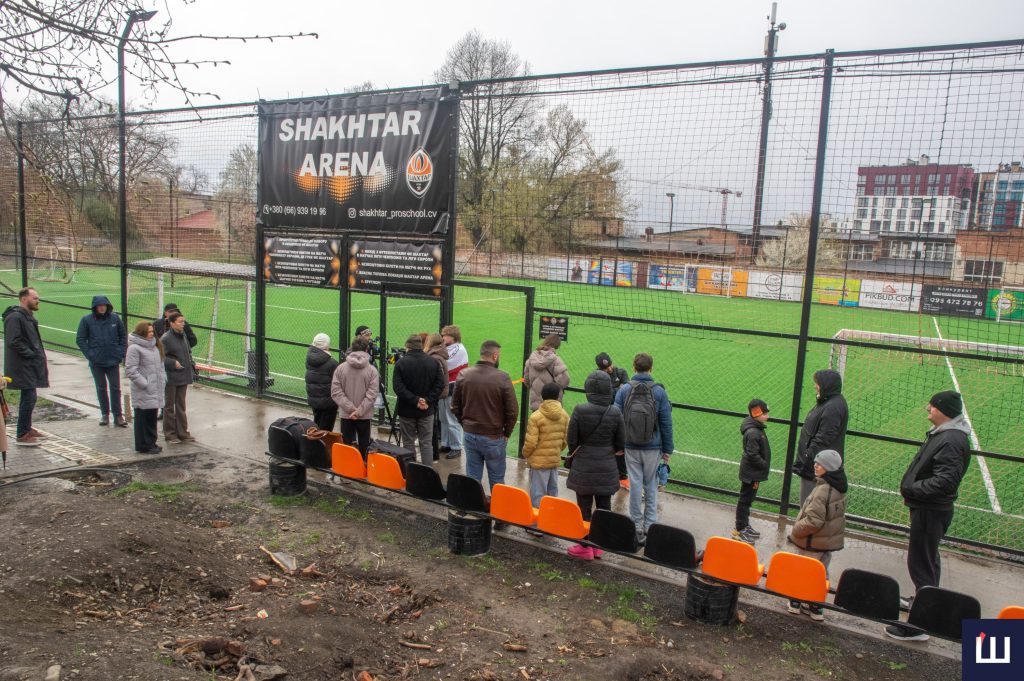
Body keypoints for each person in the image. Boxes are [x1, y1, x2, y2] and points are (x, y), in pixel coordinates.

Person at [885, 391, 971, 642]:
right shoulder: (946, 434)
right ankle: (924, 601)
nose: (928, 408)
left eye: (933, 406)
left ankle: (918, 625)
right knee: (928, 559)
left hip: (930, 509)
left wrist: (912, 489)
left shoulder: (951, 439)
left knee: (921, 564)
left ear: (946, 411)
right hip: (930, 508)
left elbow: (945, 481)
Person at [614, 352, 674, 546]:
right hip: (653, 447)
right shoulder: (659, 392)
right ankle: (650, 524)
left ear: (634, 367)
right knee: (651, 485)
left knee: (635, 484)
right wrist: (668, 449)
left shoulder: (624, 390)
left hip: (630, 445)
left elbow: (616, 418)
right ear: (651, 368)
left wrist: (618, 444)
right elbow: (666, 423)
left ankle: (636, 524)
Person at [565, 371, 625, 560]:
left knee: (583, 507)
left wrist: (578, 451)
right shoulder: (615, 412)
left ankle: (585, 545)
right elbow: (621, 443)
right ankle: (598, 545)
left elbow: (571, 439)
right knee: (603, 507)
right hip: (606, 465)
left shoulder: (580, 410)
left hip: (584, 464)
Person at [787, 449, 847, 622]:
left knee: (804, 571)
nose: (815, 466)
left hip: (812, 543)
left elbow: (813, 521)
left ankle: (796, 601)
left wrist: (796, 529)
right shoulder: (839, 487)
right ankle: (815, 605)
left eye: (819, 464)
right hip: (826, 543)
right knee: (821, 573)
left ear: (828, 468)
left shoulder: (822, 490)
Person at [451, 340, 518, 490]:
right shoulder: (503, 377)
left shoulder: (464, 374)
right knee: (497, 480)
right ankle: (496, 505)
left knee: (472, 477)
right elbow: (513, 411)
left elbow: (454, 407)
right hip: (493, 437)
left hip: (470, 435)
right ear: (495, 356)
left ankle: (472, 504)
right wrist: (507, 433)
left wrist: (466, 425)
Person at [2, 287, 49, 446]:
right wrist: (31, 354)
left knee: (30, 397)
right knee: (29, 398)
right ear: (24, 299)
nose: (37, 301)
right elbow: (13, 341)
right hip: (22, 365)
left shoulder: (26, 316)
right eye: (34, 298)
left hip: (28, 365)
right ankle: (22, 435)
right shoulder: (15, 317)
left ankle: (26, 428)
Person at [794, 369, 848, 504]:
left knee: (810, 507)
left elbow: (824, 438)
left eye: (818, 383)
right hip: (816, 464)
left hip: (817, 466)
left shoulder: (833, 407)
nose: (815, 386)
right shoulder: (828, 402)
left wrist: (808, 456)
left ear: (826, 385)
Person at [392, 334, 445, 465]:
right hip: (426, 410)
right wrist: (426, 400)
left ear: (408, 347)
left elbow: (398, 388)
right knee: (426, 443)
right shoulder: (433, 362)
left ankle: (411, 471)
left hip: (407, 410)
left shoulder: (401, 363)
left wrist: (415, 400)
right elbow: (440, 385)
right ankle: (427, 472)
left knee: (408, 442)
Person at [76, 294, 127, 427]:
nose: (102, 308)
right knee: (101, 388)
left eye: (104, 305)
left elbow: (123, 336)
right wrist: (90, 354)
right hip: (96, 361)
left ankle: (118, 415)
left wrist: (121, 352)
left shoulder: (115, 318)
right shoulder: (86, 320)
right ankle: (105, 414)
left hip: (113, 360)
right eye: (99, 306)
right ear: (95, 307)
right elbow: (80, 339)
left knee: (115, 388)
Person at [522, 382, 569, 507]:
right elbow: (565, 439)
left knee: (538, 494)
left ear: (542, 395)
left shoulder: (535, 417)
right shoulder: (564, 415)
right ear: (558, 396)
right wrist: (556, 450)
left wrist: (525, 454)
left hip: (538, 463)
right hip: (554, 460)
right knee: (552, 493)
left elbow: (530, 443)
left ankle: (538, 519)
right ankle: (550, 517)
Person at [331, 337, 379, 457]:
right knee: (364, 447)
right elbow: (372, 395)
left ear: (352, 349)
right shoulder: (372, 370)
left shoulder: (340, 368)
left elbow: (336, 392)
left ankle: (347, 467)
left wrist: (351, 410)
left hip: (347, 414)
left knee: (346, 447)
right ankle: (362, 467)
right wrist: (358, 411)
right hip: (364, 415)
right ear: (366, 349)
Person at [124, 321, 166, 454]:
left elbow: (161, 366)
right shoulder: (134, 348)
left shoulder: (155, 347)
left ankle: (151, 442)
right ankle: (144, 445)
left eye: (152, 331)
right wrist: (145, 383)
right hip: (143, 391)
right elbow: (130, 370)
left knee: (151, 417)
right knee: (143, 418)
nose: (151, 334)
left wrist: (163, 379)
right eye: (148, 332)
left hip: (155, 389)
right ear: (141, 333)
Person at [734, 399, 772, 544]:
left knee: (748, 501)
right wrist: (764, 465)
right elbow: (752, 454)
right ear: (756, 414)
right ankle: (739, 529)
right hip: (751, 474)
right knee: (745, 501)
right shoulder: (753, 432)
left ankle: (744, 525)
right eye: (765, 414)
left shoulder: (757, 429)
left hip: (753, 473)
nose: (767, 416)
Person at [597, 351, 630, 490]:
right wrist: (618, 390)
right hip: (604, 417)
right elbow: (605, 397)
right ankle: (603, 474)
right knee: (604, 446)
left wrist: (612, 391)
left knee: (620, 447)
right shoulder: (597, 376)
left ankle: (623, 478)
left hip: (620, 417)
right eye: (606, 368)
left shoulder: (621, 372)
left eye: (610, 365)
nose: (610, 369)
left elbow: (627, 394)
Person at [160, 311, 195, 444]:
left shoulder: (183, 335)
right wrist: (172, 362)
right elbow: (160, 357)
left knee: (181, 405)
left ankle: (183, 433)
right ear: (172, 323)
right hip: (171, 377)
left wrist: (190, 362)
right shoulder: (166, 338)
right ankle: (170, 434)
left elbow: (187, 352)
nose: (183, 324)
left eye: (183, 321)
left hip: (183, 375)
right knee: (169, 406)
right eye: (180, 322)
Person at [439, 324, 469, 460]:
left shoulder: (459, 349)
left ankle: (456, 447)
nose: (443, 337)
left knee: (452, 419)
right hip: (444, 387)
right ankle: (446, 444)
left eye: (445, 335)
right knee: (443, 418)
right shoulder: (446, 348)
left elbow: (446, 366)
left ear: (453, 337)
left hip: (453, 388)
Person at [523, 334, 570, 411]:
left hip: (536, 406)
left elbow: (526, 381)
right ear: (556, 345)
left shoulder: (531, 359)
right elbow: (564, 381)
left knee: (536, 419)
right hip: (553, 405)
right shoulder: (556, 361)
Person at [305, 333, 340, 431]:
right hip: (328, 402)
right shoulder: (332, 363)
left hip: (314, 398)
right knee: (326, 430)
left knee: (317, 425)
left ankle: (316, 440)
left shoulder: (309, 359)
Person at [424, 333, 449, 460]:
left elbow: (437, 379)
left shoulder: (435, 357)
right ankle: (434, 453)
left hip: (434, 394)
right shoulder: (439, 354)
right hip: (437, 393)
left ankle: (433, 454)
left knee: (431, 424)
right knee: (433, 422)